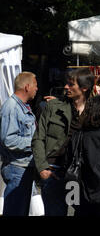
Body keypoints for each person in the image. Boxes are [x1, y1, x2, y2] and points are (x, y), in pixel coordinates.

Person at [32, 68, 95, 216]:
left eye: (71, 84)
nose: (66, 87)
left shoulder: (94, 111)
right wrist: (42, 168)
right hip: (53, 172)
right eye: (66, 83)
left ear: (84, 88)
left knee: (79, 211)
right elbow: (38, 138)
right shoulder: (53, 107)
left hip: (78, 175)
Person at [0, 72, 38, 216]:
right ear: (27, 87)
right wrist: (35, 142)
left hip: (23, 167)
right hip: (17, 169)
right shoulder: (11, 108)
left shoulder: (22, 107)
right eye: (35, 85)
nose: (37, 88)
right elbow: (8, 139)